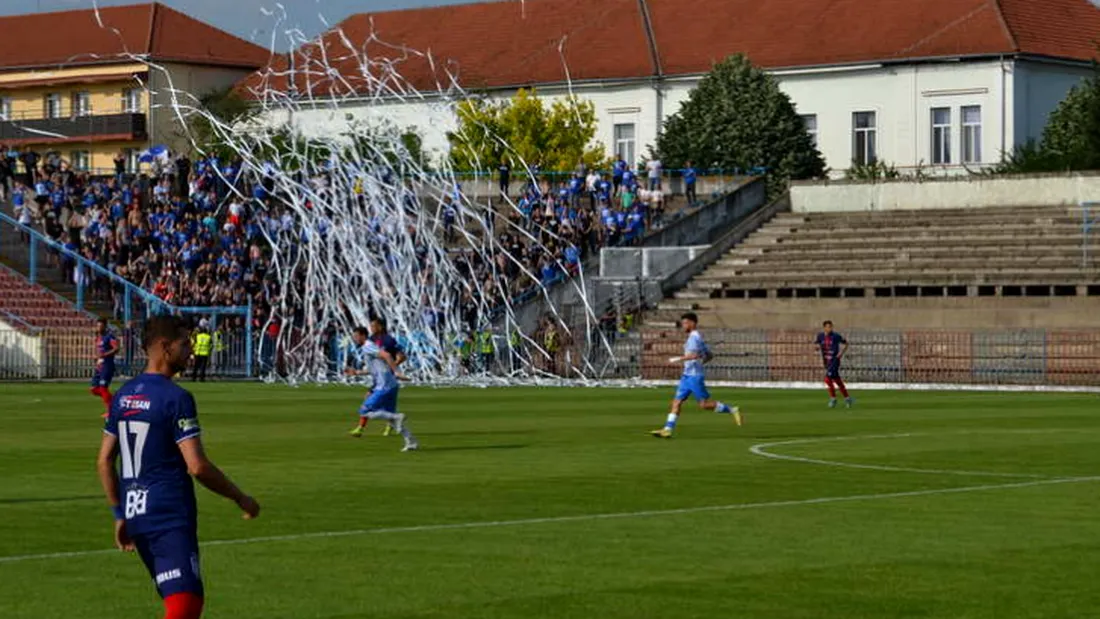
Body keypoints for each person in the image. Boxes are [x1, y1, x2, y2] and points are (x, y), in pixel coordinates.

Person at [96, 315, 260, 619]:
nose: (191, 351)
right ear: (164, 347)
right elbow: (197, 466)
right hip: (168, 514)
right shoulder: (176, 398)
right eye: (184, 344)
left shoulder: (123, 395)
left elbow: (104, 460)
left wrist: (119, 515)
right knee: (185, 605)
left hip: (136, 516)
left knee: (180, 602)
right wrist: (241, 497)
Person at [651, 312, 740, 438]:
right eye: (682, 323)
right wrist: (701, 361)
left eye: (685, 323)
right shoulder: (696, 337)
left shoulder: (694, 338)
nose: (683, 326)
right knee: (676, 402)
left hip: (694, 377)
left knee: (703, 405)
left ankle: (732, 410)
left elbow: (693, 355)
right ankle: (667, 429)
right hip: (687, 376)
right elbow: (709, 355)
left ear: (693, 323)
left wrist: (676, 359)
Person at [346, 325, 419, 451]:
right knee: (391, 419)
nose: (355, 339)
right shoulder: (368, 347)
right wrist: (357, 373)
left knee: (365, 411)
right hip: (391, 385)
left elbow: (387, 355)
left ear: (363, 335)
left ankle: (398, 417)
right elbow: (373, 369)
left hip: (384, 385)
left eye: (356, 336)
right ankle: (410, 441)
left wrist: (396, 372)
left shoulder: (368, 346)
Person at [368, 317, 406, 438]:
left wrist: (392, 367)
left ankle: (391, 422)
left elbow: (402, 356)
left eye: (373, 326)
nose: (371, 328)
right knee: (375, 400)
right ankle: (391, 423)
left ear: (380, 327)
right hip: (376, 376)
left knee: (373, 402)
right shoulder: (371, 340)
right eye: (371, 326)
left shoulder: (389, 340)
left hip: (386, 377)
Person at [815, 320, 853, 408]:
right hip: (826, 361)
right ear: (824, 328)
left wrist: (841, 353)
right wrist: (817, 347)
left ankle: (833, 399)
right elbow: (817, 344)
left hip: (834, 361)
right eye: (828, 327)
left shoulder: (836, 336)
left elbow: (846, 343)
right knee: (837, 380)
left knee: (827, 379)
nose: (829, 329)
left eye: (831, 327)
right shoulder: (820, 336)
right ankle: (847, 398)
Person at [91, 318, 120, 418]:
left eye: (100, 326)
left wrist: (105, 355)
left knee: (103, 388)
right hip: (100, 366)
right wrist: (96, 357)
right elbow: (99, 351)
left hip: (107, 365)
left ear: (104, 327)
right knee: (94, 389)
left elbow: (116, 348)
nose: (98, 328)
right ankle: (114, 400)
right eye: (97, 326)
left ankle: (111, 411)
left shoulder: (109, 337)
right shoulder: (97, 337)